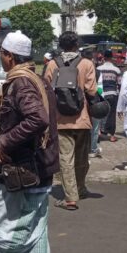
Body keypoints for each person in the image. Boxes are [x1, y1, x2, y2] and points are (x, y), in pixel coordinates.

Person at [0, 30, 58, 253]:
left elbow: (38, 118)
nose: (1, 58)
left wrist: (5, 142)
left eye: (2, 54)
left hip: (21, 171)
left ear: (10, 56)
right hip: (39, 170)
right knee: (35, 232)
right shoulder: (38, 81)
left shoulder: (21, 84)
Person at [44, 31, 97, 210]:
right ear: (76, 45)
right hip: (82, 118)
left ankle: (71, 196)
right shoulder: (87, 64)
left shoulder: (52, 64)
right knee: (82, 157)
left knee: (66, 158)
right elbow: (91, 91)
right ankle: (80, 188)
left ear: (60, 45)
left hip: (60, 119)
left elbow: (47, 91)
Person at [97, 49, 122, 143]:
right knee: (111, 114)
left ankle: (98, 132)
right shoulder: (116, 69)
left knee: (99, 114)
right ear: (111, 57)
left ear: (104, 57)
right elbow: (119, 83)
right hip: (112, 93)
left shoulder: (99, 69)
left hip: (101, 93)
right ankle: (111, 135)